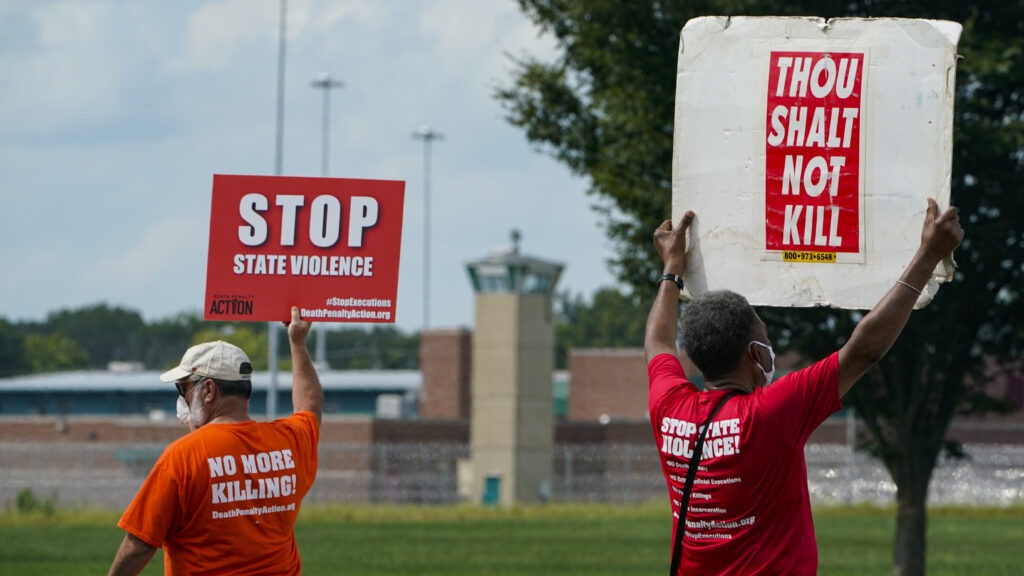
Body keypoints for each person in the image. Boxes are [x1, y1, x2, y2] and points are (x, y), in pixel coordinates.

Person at [645, 199, 963, 575]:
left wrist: (671, 268)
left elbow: (659, 343)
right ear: (755, 354)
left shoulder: (669, 409)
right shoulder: (769, 415)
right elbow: (863, 352)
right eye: (764, 335)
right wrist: (928, 256)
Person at [108, 306, 322, 576]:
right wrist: (298, 342)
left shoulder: (182, 456)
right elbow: (310, 408)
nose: (182, 398)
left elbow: (140, 543)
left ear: (208, 390)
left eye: (184, 389)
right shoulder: (289, 441)